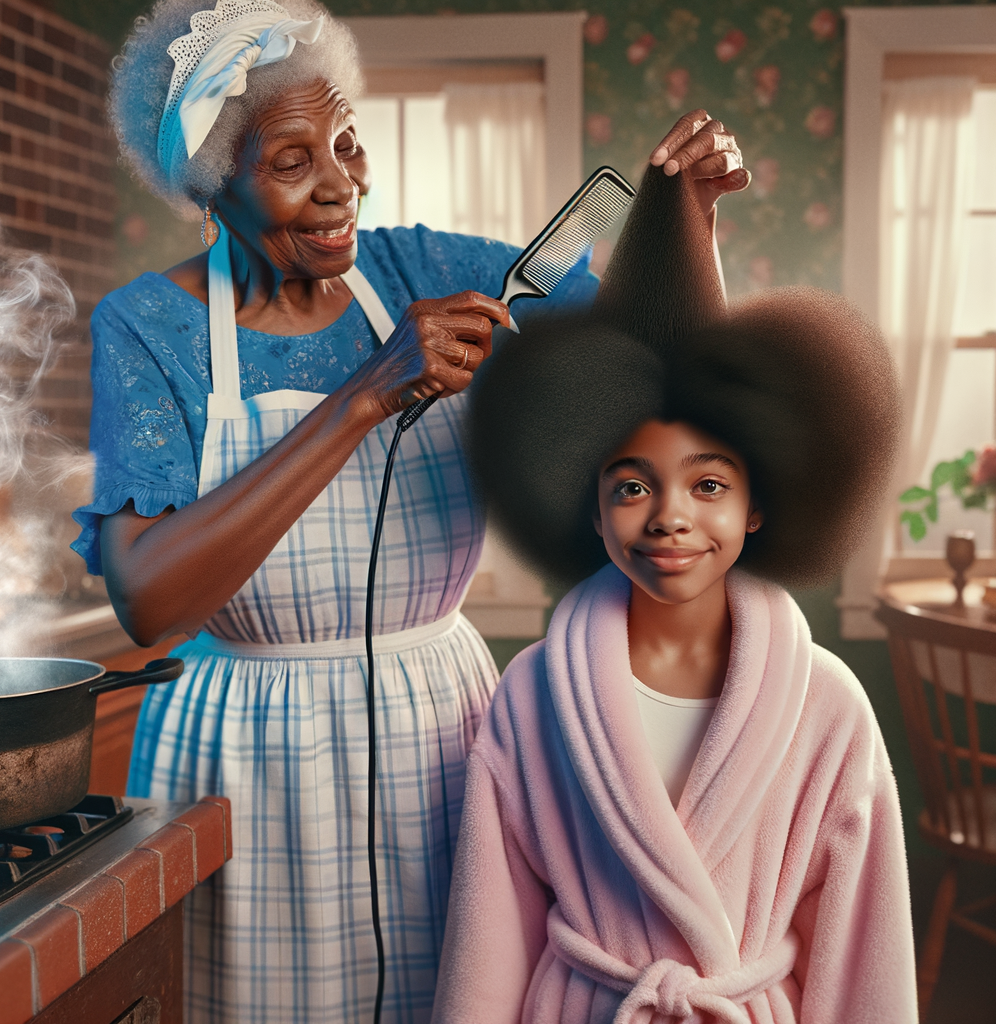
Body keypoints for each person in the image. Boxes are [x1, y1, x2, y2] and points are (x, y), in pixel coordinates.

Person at [71, 0, 751, 1021]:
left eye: (346, 141)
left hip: (445, 729)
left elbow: (678, 374)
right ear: (215, 181)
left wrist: (692, 217)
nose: (340, 180)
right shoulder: (149, 327)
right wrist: (363, 397)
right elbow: (151, 604)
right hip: (242, 762)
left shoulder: (423, 268)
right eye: (292, 158)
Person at [433, 166, 917, 1022]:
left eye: (708, 485)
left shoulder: (831, 707)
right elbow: (490, 932)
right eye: (630, 487)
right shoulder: (534, 692)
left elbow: (860, 951)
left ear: (760, 501)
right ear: (586, 501)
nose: (668, 518)